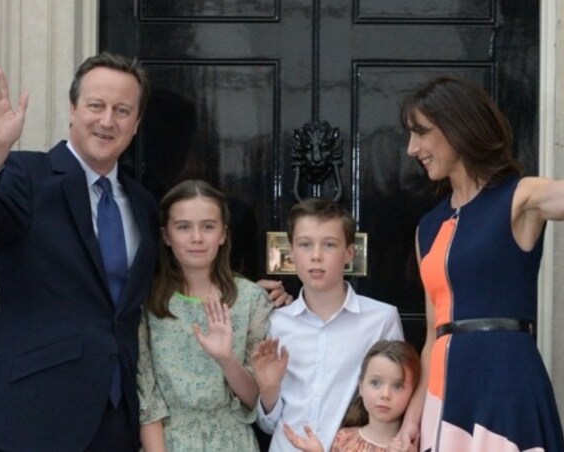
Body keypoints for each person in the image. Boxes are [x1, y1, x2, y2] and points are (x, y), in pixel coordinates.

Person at [395, 31, 564, 451]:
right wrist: (413, 416)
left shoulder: (519, 197)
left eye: (421, 133)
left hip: (506, 381)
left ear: (455, 128)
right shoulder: (427, 226)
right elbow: (432, 335)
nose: (412, 148)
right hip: (445, 392)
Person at [0, 53, 158, 451]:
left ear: (136, 124)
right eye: (96, 106)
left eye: (122, 110)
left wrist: (252, 294)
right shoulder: (25, 175)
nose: (108, 121)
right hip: (32, 417)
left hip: (115, 422)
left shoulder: (143, 204)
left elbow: (161, 288)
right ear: (73, 110)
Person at [252, 198, 405, 451]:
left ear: (349, 253)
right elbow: (268, 425)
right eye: (305, 244)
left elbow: (396, 404)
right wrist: (269, 390)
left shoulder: (381, 319)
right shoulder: (277, 322)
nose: (316, 256)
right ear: (290, 252)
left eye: (329, 245)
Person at [137, 179, 273, 451]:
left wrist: (226, 359)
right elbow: (148, 402)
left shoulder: (250, 300)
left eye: (208, 227)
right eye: (183, 227)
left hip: (233, 442)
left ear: (223, 234)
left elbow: (255, 398)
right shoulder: (148, 301)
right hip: (169, 441)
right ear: (166, 236)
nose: (196, 238)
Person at [282, 339, 420, 452]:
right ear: (361, 386)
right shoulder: (344, 439)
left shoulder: (415, 444)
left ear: (413, 392)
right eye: (376, 383)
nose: (385, 394)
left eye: (397, 386)